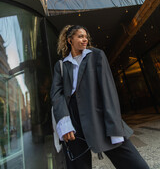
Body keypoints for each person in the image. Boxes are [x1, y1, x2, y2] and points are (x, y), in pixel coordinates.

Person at [50, 25, 150, 169]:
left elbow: (107, 89)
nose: (85, 39)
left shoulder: (96, 55)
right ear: (70, 40)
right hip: (71, 120)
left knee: (132, 162)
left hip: (97, 113)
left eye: (86, 36)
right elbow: (56, 94)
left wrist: (114, 125)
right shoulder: (61, 65)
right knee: (78, 165)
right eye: (80, 36)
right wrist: (64, 122)